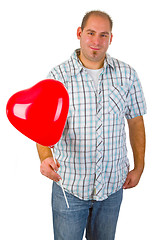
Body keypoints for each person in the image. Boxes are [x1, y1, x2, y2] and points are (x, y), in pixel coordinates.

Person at [36, 10, 146, 240]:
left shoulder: (127, 75)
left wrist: (139, 166)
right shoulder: (58, 77)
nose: (96, 41)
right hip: (70, 186)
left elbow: (136, 122)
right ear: (79, 33)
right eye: (91, 33)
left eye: (103, 35)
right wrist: (44, 156)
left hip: (112, 187)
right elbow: (42, 123)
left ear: (111, 38)